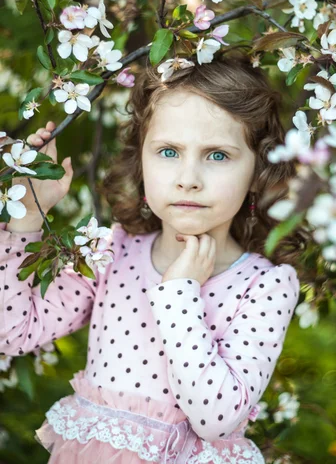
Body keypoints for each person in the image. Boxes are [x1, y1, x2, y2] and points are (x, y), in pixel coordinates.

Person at [0, 53, 303, 463]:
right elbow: (14, 331)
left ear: (256, 174)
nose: (188, 178)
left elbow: (215, 419)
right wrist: (29, 217)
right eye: (168, 151)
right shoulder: (112, 252)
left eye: (218, 155)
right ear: (141, 161)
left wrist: (179, 294)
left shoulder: (265, 285)